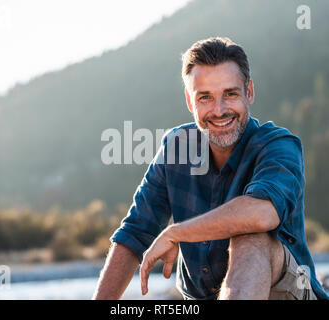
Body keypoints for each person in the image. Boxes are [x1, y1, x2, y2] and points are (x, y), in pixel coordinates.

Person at [93, 37, 328, 300]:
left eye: (230, 94)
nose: (219, 111)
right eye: (205, 97)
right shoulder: (177, 147)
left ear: (249, 92)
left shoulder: (278, 146)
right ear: (190, 102)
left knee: (251, 237)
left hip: (288, 294)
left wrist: (176, 233)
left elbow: (262, 214)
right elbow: (135, 232)